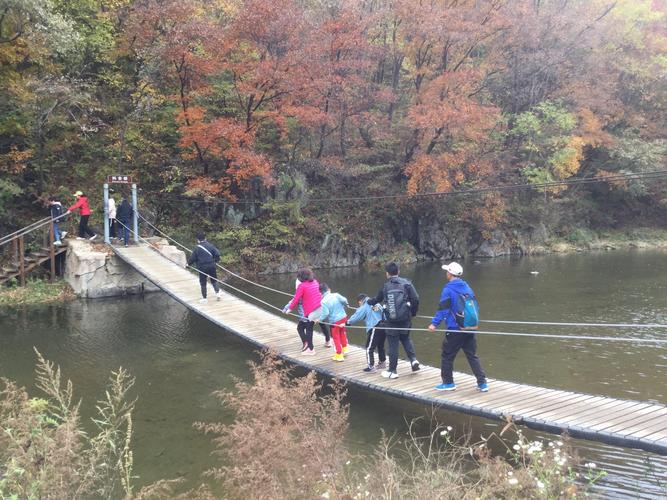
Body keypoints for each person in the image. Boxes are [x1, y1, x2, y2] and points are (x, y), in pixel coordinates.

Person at [428, 262, 488, 392]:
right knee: (472, 355)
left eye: (447, 271)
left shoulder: (448, 289)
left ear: (450, 274)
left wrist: (434, 324)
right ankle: (482, 383)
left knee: (447, 355)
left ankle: (448, 383)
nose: (446, 273)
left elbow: (443, 309)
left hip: (455, 329)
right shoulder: (467, 287)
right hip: (469, 327)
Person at [367, 261, 420, 379]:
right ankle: (413, 360)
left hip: (391, 321)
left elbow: (377, 299)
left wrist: (369, 302)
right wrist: (413, 313)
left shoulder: (385, 286)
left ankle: (392, 371)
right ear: (398, 272)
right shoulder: (407, 284)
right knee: (406, 338)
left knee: (393, 344)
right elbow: (416, 299)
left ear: (387, 274)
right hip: (405, 318)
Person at [283, 268, 321, 355]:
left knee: (305, 329)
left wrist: (289, 309)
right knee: (305, 328)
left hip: (309, 311)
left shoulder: (302, 286)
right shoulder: (315, 282)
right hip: (318, 309)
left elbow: (296, 299)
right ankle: (308, 346)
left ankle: (310, 349)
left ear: (302, 277)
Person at [347, 293, 386, 372]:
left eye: (359, 303)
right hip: (384, 325)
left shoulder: (365, 305)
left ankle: (371, 367)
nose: (359, 305)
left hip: (375, 327)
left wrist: (348, 323)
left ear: (361, 301)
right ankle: (382, 362)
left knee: (369, 348)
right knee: (380, 345)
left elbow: (357, 316)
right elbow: (384, 313)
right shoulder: (376, 303)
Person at [316, 283, 349, 362]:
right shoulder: (336, 295)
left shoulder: (323, 301)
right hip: (344, 317)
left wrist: (319, 320)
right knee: (342, 333)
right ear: (329, 289)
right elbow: (344, 300)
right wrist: (346, 304)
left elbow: (325, 314)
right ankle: (345, 349)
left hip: (335, 321)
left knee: (336, 337)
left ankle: (339, 355)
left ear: (320, 293)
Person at [187, 232, 223, 304]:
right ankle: (218, 293)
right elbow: (217, 254)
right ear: (205, 238)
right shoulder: (210, 246)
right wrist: (216, 261)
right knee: (214, 279)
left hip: (202, 267)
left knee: (203, 282)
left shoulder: (197, 248)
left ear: (198, 240)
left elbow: (192, 258)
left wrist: (188, 264)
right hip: (211, 265)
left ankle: (204, 298)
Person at [284, 279, 311, 352]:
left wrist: (285, 309)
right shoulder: (309, 291)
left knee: (300, 329)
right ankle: (309, 345)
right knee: (308, 330)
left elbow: (293, 301)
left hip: (304, 316)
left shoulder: (299, 293)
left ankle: (306, 343)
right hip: (312, 315)